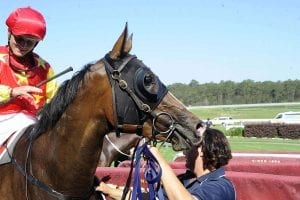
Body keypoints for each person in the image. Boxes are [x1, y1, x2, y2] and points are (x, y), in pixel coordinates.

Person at [96, 128, 236, 200]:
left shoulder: (221, 186)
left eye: (189, 147)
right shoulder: (184, 179)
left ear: (201, 151)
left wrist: (156, 156)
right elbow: (144, 198)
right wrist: (107, 189)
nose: (185, 153)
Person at [0, 7, 58, 140]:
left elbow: (54, 99)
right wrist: (12, 92)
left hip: (33, 124)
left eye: (30, 42)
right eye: (20, 39)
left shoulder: (45, 68)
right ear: (9, 34)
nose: (24, 45)